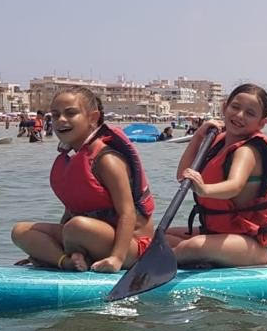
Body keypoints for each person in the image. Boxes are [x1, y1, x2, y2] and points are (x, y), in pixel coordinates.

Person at [11, 87, 158, 272]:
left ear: (93, 118)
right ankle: (66, 261)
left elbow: (127, 213)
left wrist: (117, 258)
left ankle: (82, 255)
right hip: (84, 236)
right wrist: (46, 249)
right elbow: (70, 212)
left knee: (76, 227)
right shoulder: (73, 159)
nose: (61, 120)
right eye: (55, 115)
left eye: (71, 113)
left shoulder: (107, 160)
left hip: (130, 246)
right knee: (21, 231)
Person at [161, 83, 267, 268]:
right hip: (219, 233)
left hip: (253, 243)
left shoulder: (248, 150)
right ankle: (194, 259)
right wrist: (198, 136)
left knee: (193, 246)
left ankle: (155, 264)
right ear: (224, 107)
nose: (239, 115)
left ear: (261, 123)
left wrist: (204, 189)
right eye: (235, 107)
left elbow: (234, 185)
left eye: (250, 113)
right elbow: (182, 175)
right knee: (161, 236)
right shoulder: (217, 143)